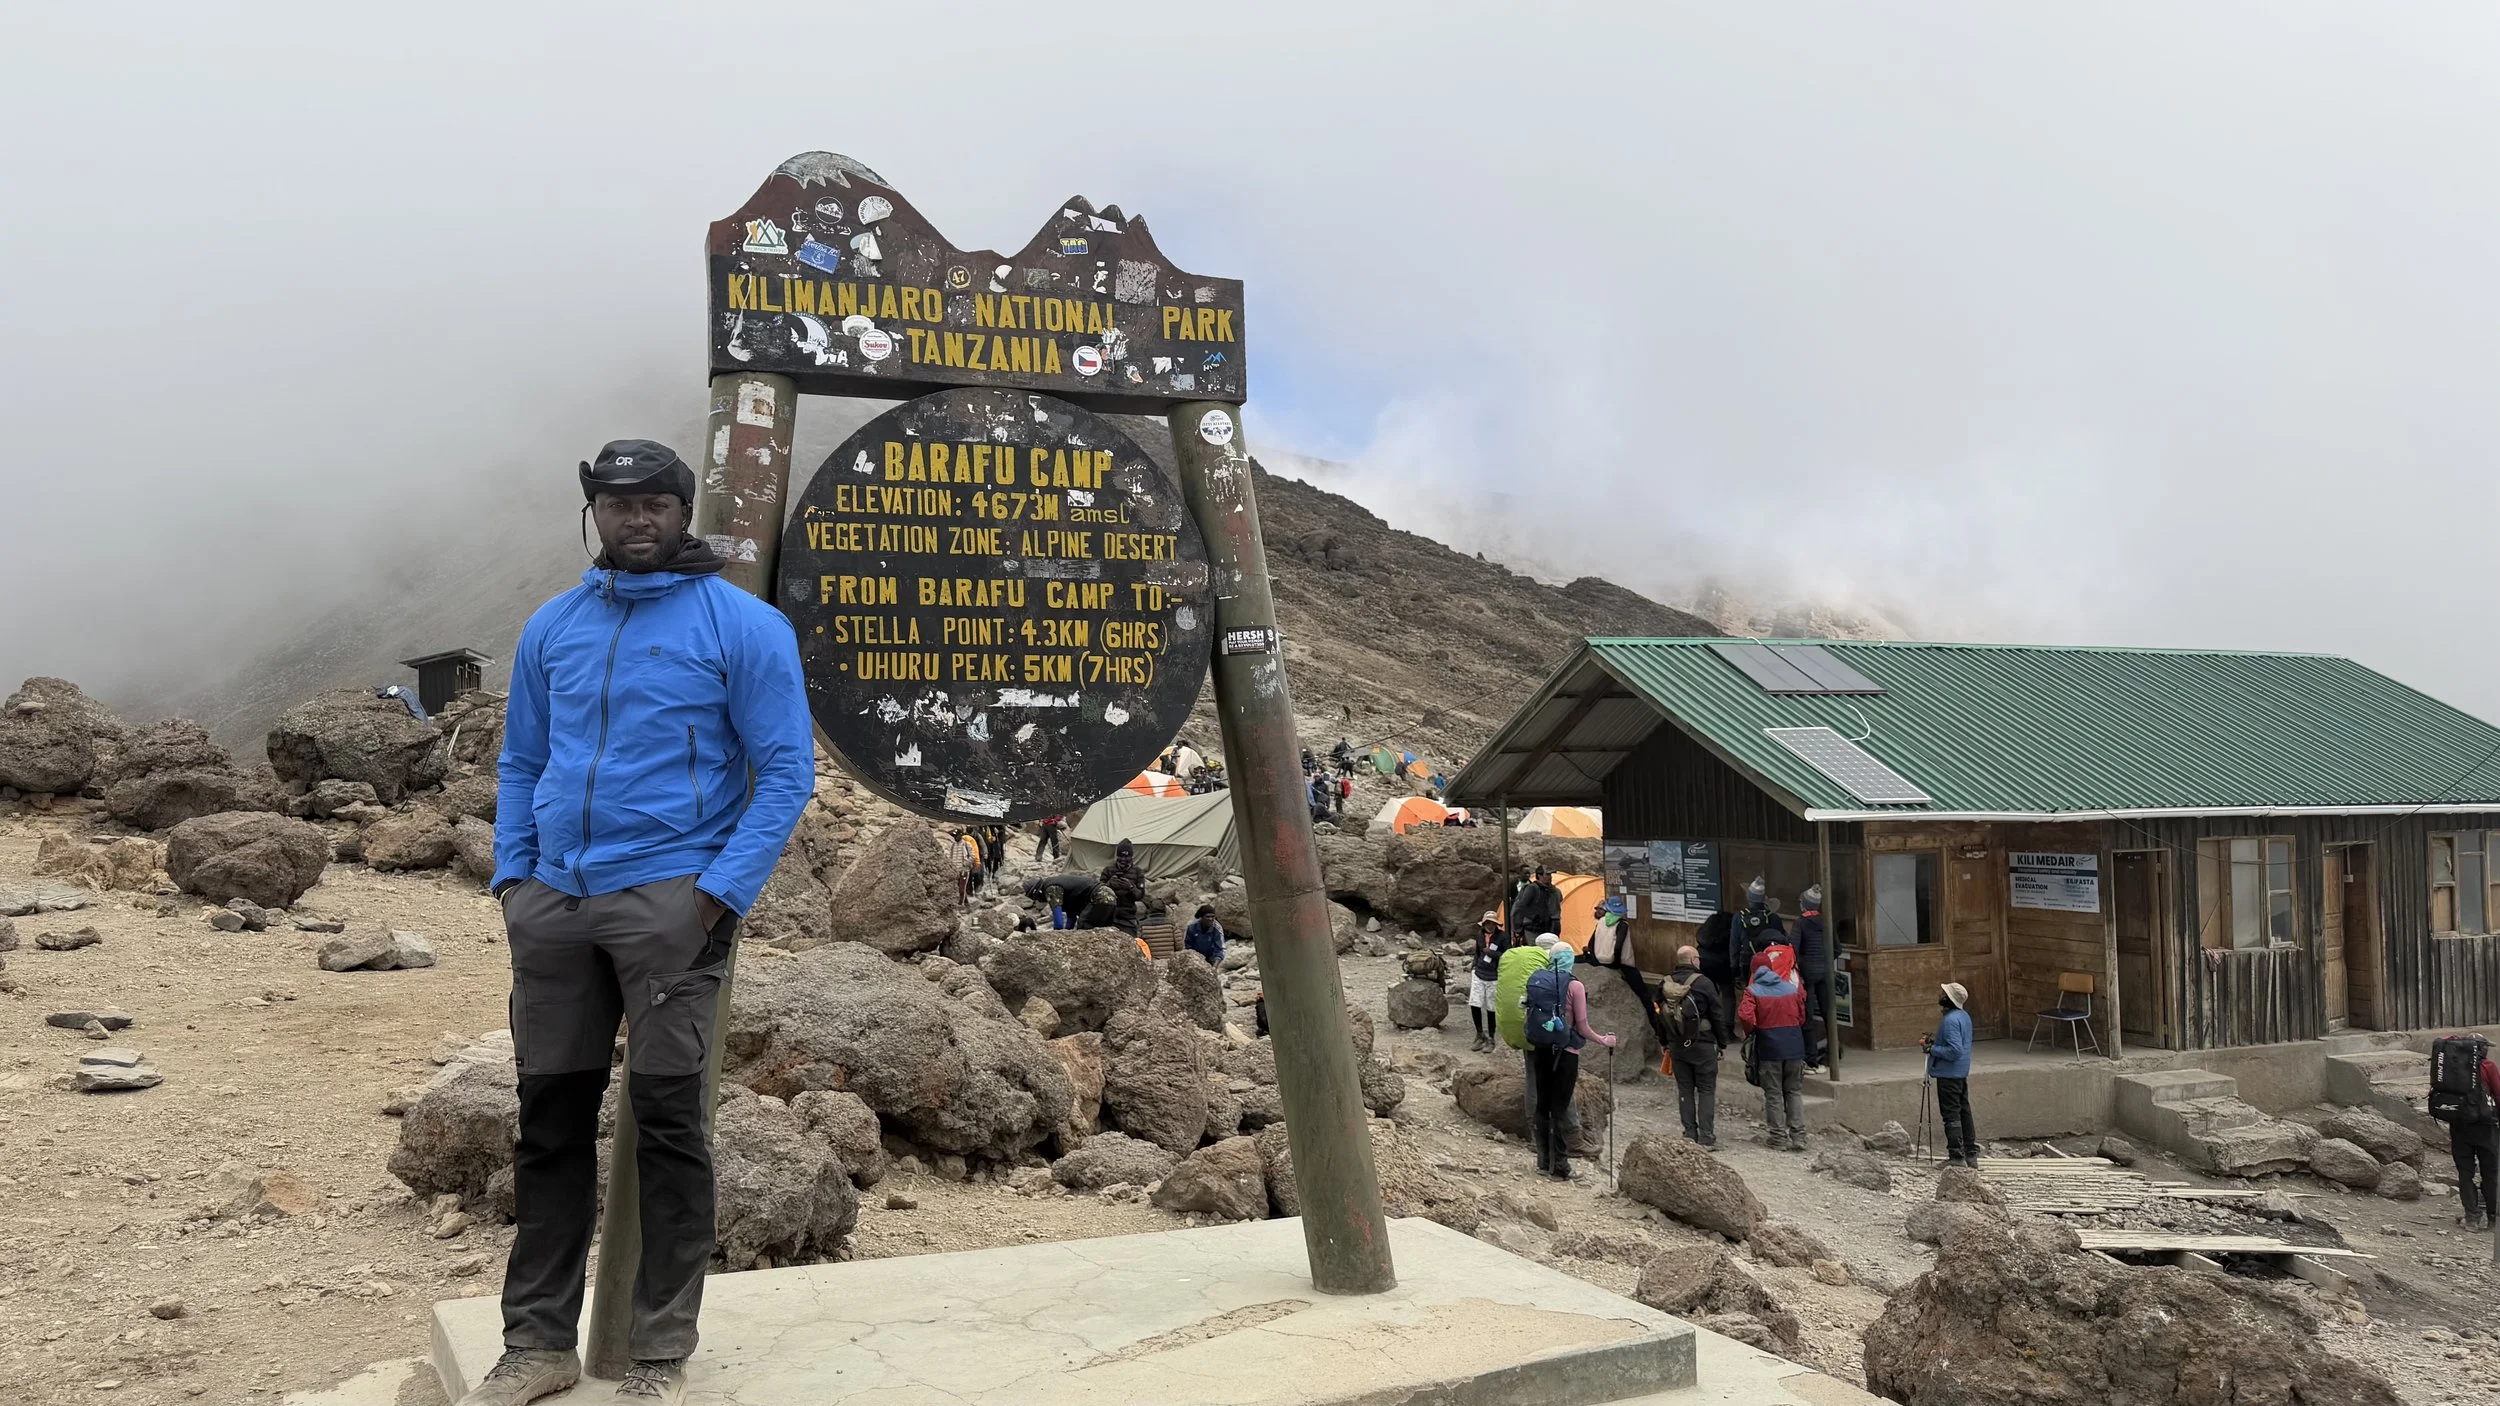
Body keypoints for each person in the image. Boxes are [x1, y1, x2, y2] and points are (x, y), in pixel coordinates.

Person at [478, 439, 813, 1406]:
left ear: (684, 509)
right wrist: (513, 881)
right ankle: (537, 1346)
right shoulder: (552, 627)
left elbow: (785, 769)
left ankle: (659, 1352)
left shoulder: (741, 625)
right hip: (554, 908)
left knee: (669, 1125)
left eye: (656, 504)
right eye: (618, 505)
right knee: (547, 1128)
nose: (638, 520)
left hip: (673, 901)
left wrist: (716, 898)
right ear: (596, 513)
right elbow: (521, 763)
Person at [1522, 948, 1618, 1179]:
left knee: (1542, 1104)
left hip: (1542, 1048)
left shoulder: (1536, 979)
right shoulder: (1575, 986)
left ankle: (1543, 1161)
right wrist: (1604, 1040)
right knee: (1560, 1107)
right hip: (1566, 1053)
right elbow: (1582, 1026)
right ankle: (1561, 1167)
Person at [1737, 943, 1811, 1152]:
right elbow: (1801, 1015)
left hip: (1770, 1047)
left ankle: (1778, 1138)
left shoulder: (1753, 991)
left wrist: (1752, 1030)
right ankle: (1799, 1137)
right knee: (1794, 1091)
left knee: (1774, 1094)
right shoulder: (1790, 988)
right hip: (1795, 1045)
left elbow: (1745, 1015)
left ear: (1753, 971)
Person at [1659, 945, 1728, 1148]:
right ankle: (1706, 1136)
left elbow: (1659, 1016)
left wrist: (1665, 1042)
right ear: (1692, 960)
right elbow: (1717, 1014)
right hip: (1703, 1043)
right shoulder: (1704, 983)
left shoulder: (1665, 983)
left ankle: (1689, 1133)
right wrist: (1722, 1042)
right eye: (1697, 958)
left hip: (1677, 1044)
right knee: (1706, 1089)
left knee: (1685, 1089)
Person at [2446, 1038, 2500, 1229]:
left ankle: (2472, 1217)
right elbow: (2498, 1093)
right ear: (2482, 1050)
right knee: (2491, 1172)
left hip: (2459, 1126)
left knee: (2465, 1172)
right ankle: (2493, 1218)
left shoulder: (2450, 1068)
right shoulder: (2488, 1067)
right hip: (2485, 1127)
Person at [1925, 982, 1977, 1167]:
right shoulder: (1964, 1017)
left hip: (1948, 1074)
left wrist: (1932, 1049)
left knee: (1951, 1114)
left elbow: (1954, 1051)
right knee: (1964, 1111)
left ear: (1948, 999)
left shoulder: (1949, 1021)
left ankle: (1956, 1157)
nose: (1941, 995)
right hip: (1961, 1073)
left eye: (1943, 993)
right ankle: (1971, 1154)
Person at [1794, 883, 1830, 1069]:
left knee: (1807, 1016)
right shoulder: (1826, 922)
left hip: (1807, 975)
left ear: (1805, 905)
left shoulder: (1800, 923)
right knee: (1828, 1013)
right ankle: (1832, 1052)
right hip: (1826, 973)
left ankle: (1811, 1057)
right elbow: (1837, 948)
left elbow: (1794, 948)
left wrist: (1801, 965)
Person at [1466, 911, 1508, 1051]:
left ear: (1496, 924)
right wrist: (1474, 965)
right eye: (1487, 923)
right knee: (1475, 1003)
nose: (1490, 926)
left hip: (1494, 976)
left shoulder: (1502, 937)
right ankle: (1479, 1034)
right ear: (1483, 924)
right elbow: (1478, 952)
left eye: (1492, 923)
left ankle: (1491, 1037)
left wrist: (1492, 953)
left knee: (1491, 1007)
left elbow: (1507, 955)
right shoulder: (1480, 936)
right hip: (1479, 973)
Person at [1099, 839, 1148, 932]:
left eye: (1126, 856)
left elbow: (1140, 896)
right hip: (1109, 914)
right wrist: (1109, 885)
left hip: (1128, 915)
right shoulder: (1108, 870)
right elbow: (1098, 892)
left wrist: (1130, 887)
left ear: (1131, 857)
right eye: (1120, 856)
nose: (1123, 859)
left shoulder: (1138, 872)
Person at [1509, 865, 1562, 940]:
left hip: (1551, 930)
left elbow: (1557, 910)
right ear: (1539, 875)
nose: (1550, 877)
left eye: (1550, 875)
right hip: (1533, 929)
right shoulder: (1532, 889)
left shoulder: (1556, 891)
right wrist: (1517, 929)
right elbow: (1519, 908)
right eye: (1547, 874)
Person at [1184, 904, 1225, 968]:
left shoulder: (1217, 928)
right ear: (1202, 917)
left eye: (1212, 916)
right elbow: (1188, 945)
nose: (1210, 919)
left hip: (1211, 957)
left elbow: (1220, 949)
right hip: (1195, 957)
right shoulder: (1192, 927)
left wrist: (1215, 966)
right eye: (1207, 917)